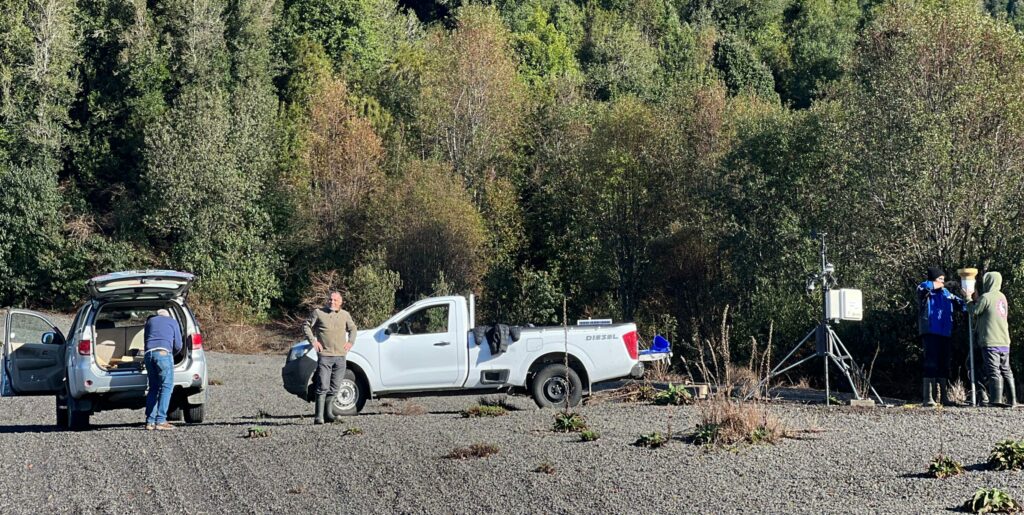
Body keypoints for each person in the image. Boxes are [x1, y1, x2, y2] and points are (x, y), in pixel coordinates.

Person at [303, 291, 358, 424]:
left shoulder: (345, 315)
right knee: (323, 385)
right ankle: (318, 416)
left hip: (340, 356)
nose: (332, 302)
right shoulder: (318, 312)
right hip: (325, 356)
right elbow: (306, 326)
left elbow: (353, 328)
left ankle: (329, 414)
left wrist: (350, 342)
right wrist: (313, 342)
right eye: (330, 300)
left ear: (340, 302)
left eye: (335, 300)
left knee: (335, 386)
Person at [917, 267, 966, 406]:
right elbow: (925, 287)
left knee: (944, 364)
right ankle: (928, 398)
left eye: (944, 280)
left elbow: (962, 306)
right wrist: (944, 284)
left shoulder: (946, 293)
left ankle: (943, 397)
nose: (943, 282)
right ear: (933, 279)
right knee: (930, 363)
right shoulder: (925, 288)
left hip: (945, 333)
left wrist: (966, 296)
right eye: (940, 279)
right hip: (930, 331)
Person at [969, 271, 1017, 407]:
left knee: (994, 370)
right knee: (1006, 370)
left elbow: (974, 311)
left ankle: (996, 400)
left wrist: (968, 299)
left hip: (991, 340)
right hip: (1004, 341)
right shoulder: (1002, 297)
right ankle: (1013, 400)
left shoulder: (986, 297)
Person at [144, 308, 182, 430]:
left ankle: (150, 422)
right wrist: (172, 354)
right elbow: (178, 345)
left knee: (153, 387)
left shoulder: (150, 322)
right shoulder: (172, 321)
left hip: (148, 354)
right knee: (166, 386)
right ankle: (160, 421)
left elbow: (146, 340)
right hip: (163, 353)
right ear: (168, 315)